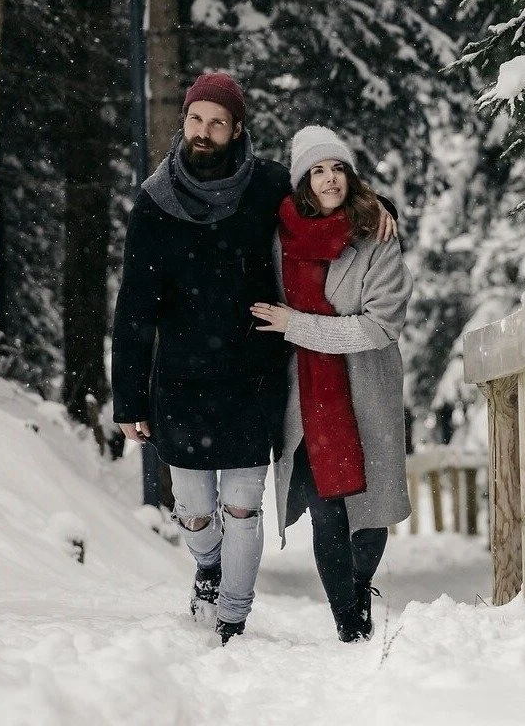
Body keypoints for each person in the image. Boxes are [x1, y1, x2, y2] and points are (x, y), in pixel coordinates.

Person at [111, 75, 396, 645]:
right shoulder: (154, 202)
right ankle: (207, 568)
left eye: (218, 122)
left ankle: (233, 618)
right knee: (194, 509)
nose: (205, 132)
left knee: (243, 507)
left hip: (252, 377)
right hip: (181, 381)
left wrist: (377, 207)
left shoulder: (265, 186)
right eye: (197, 120)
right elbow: (134, 307)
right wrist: (129, 398)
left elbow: (324, 205)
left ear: (237, 128)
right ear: (184, 123)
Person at [251, 126, 413, 643]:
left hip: (365, 390)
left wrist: (296, 324)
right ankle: (349, 624)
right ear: (302, 181)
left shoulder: (376, 236)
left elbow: (380, 325)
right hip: (305, 397)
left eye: (337, 169)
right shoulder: (280, 239)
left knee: (368, 516)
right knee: (326, 510)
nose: (328, 180)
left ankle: (360, 589)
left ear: (350, 174)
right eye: (317, 171)